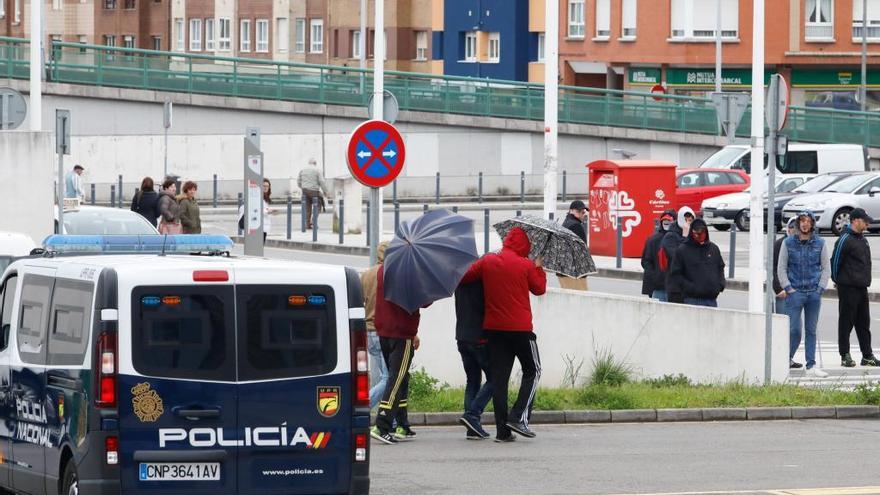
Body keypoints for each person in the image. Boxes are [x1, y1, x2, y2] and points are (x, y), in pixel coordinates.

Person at [461, 227, 546, 442]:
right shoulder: (526, 264)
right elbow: (539, 289)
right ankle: (518, 417)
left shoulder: (488, 261)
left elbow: (465, 277)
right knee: (533, 370)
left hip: (494, 330)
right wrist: (539, 268)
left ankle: (502, 431)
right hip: (521, 330)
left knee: (499, 379)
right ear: (524, 246)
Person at [370, 262, 422, 445]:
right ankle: (382, 425)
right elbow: (422, 300)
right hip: (402, 333)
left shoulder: (384, 269)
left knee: (401, 378)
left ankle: (402, 424)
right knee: (396, 379)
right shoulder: (409, 271)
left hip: (384, 331)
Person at [778, 210, 830, 376]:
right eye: (802, 221)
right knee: (793, 329)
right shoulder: (788, 243)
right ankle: (785, 359)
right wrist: (788, 288)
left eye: (808, 221)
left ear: (812, 223)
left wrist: (820, 288)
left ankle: (811, 365)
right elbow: (781, 268)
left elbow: (826, 268)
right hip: (795, 292)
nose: (805, 224)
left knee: (811, 330)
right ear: (798, 224)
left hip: (813, 292)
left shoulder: (820, 243)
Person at [831, 208, 880, 368]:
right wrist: (837, 280)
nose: (867, 224)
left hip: (861, 287)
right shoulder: (844, 238)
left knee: (863, 322)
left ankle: (867, 355)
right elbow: (835, 261)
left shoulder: (862, 239)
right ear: (855, 220)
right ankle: (844, 354)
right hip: (848, 287)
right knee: (846, 322)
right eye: (865, 221)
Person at [454, 279, 492, 440]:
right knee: (495, 378)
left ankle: (472, 428)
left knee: (472, 381)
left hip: (462, 337)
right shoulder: (481, 283)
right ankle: (473, 414)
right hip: (479, 339)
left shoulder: (459, 282)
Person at [666, 218, 725, 307]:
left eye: (702, 231)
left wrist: (720, 285)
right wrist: (690, 288)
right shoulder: (683, 250)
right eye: (696, 232)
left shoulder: (713, 249)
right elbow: (675, 274)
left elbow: (720, 267)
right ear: (692, 232)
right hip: (691, 299)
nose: (699, 234)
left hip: (711, 299)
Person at [360, 241, 390, 410]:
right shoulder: (389, 275)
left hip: (368, 330)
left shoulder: (366, 275)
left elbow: (359, 302)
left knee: (380, 377)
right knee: (388, 378)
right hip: (383, 331)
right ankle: (364, 405)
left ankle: (386, 416)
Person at [659, 206, 694, 303]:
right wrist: (685, 237)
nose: (688, 223)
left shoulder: (693, 235)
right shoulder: (670, 236)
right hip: (676, 287)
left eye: (690, 220)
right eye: (686, 220)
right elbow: (678, 257)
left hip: (691, 286)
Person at [641, 210, 676, 300]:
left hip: (674, 287)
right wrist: (655, 277)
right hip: (658, 287)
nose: (667, 223)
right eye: (665, 221)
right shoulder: (652, 240)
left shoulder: (679, 239)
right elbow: (646, 261)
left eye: (669, 221)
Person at [559, 200, 589, 291]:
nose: (582, 214)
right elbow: (581, 249)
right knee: (581, 299)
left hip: (563, 270)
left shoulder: (566, 222)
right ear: (571, 211)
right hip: (574, 272)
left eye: (583, 212)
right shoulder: (576, 226)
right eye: (579, 211)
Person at [773, 218, 797, 316]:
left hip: (797, 290)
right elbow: (774, 268)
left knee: (795, 325)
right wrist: (779, 288)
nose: (795, 231)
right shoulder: (780, 244)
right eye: (792, 228)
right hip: (783, 290)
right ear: (788, 229)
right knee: (782, 320)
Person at [238, 179, 274, 243]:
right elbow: (255, 209)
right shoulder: (256, 197)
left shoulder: (265, 198)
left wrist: (269, 211)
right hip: (257, 227)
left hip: (263, 228)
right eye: (264, 186)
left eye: (267, 186)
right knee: (255, 249)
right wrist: (267, 211)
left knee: (259, 249)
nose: (266, 188)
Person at [298, 158, 328, 230]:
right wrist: (325, 191)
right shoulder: (317, 170)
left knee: (307, 208)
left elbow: (298, 181)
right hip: (314, 191)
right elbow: (321, 181)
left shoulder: (303, 170)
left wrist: (302, 187)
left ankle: (307, 224)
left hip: (304, 190)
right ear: (315, 163)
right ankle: (313, 221)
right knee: (318, 206)